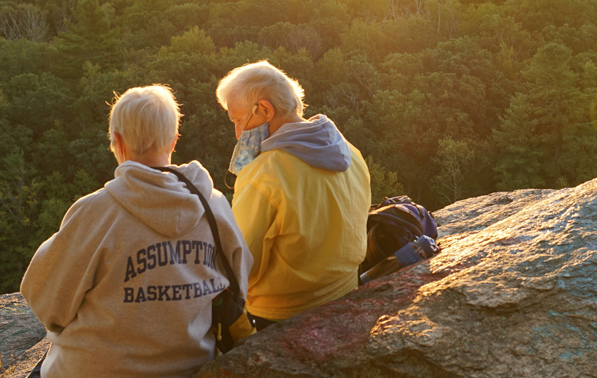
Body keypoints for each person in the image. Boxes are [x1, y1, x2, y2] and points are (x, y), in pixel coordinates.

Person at [20, 85, 250, 378]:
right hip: (190, 368)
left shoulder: (95, 212)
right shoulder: (215, 205)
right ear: (174, 140)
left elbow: (46, 301)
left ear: (117, 140)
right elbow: (240, 284)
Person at [219, 61, 371, 335]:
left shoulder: (263, 175)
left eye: (238, 120)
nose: (238, 133)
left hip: (283, 316)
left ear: (265, 109)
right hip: (348, 292)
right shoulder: (350, 151)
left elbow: (240, 266)